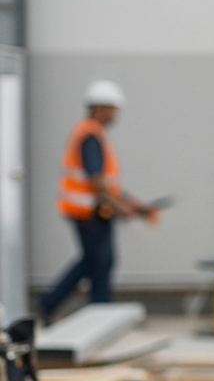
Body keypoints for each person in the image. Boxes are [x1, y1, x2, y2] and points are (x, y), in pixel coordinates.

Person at [41, 80, 158, 321]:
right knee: (98, 261)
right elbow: (97, 181)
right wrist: (121, 208)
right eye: (113, 109)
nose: (116, 115)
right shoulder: (90, 136)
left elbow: (108, 184)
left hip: (92, 211)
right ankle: (85, 310)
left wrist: (132, 204)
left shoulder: (93, 134)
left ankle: (85, 308)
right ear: (100, 108)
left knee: (97, 261)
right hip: (87, 212)